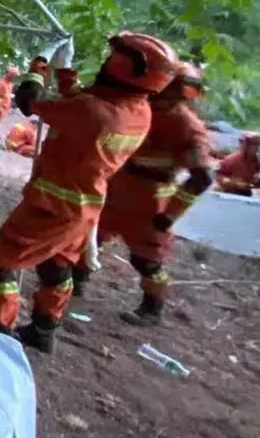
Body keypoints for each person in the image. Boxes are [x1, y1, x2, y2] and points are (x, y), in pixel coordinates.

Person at [0, 32, 177, 354]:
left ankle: (0, 338)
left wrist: (41, 61)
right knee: (55, 268)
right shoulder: (139, 112)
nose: (104, 63)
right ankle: (44, 330)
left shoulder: (94, 111)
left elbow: (29, 100)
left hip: (52, 206)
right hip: (84, 207)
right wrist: (66, 69)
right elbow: (81, 103)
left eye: (110, 59)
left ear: (125, 69)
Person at [78, 64, 213, 326]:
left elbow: (202, 177)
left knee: (147, 260)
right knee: (89, 237)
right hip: (117, 187)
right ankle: (76, 281)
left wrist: (170, 214)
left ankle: (152, 307)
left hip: (150, 201)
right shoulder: (139, 107)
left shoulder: (188, 127)